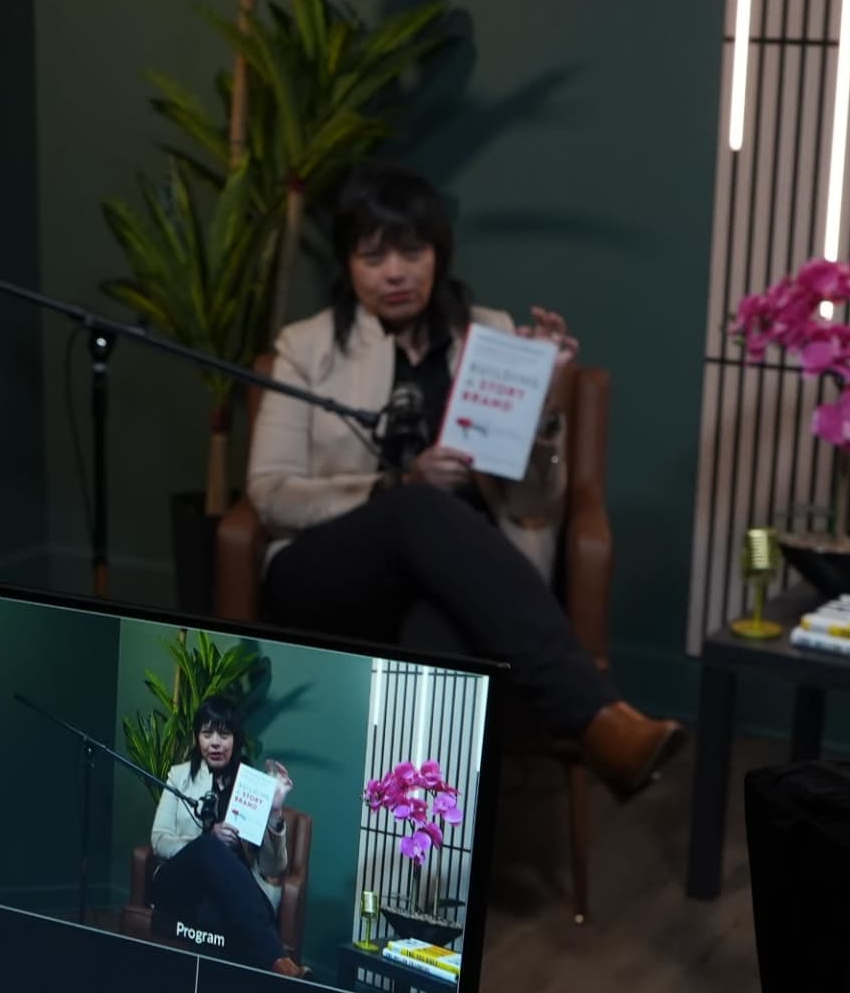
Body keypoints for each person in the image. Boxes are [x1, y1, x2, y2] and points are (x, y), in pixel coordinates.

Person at [245, 165, 685, 795]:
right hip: (331, 570)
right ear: (348, 265)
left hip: (464, 575)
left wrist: (545, 401)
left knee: (440, 629)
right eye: (374, 256)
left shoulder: (493, 335)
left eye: (412, 252)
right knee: (418, 508)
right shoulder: (306, 347)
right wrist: (394, 485)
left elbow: (538, 502)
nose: (395, 272)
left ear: (438, 255)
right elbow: (270, 492)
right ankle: (593, 714)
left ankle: (414, 859)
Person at [146, 702, 294, 971]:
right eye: (207, 734)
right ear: (196, 738)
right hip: (180, 883)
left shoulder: (252, 785)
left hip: (230, 895)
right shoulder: (179, 777)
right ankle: (278, 957)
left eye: (224, 735)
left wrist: (275, 811)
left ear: (235, 740)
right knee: (208, 847)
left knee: (220, 917)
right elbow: (159, 841)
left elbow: (274, 867)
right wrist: (208, 840)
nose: (215, 743)